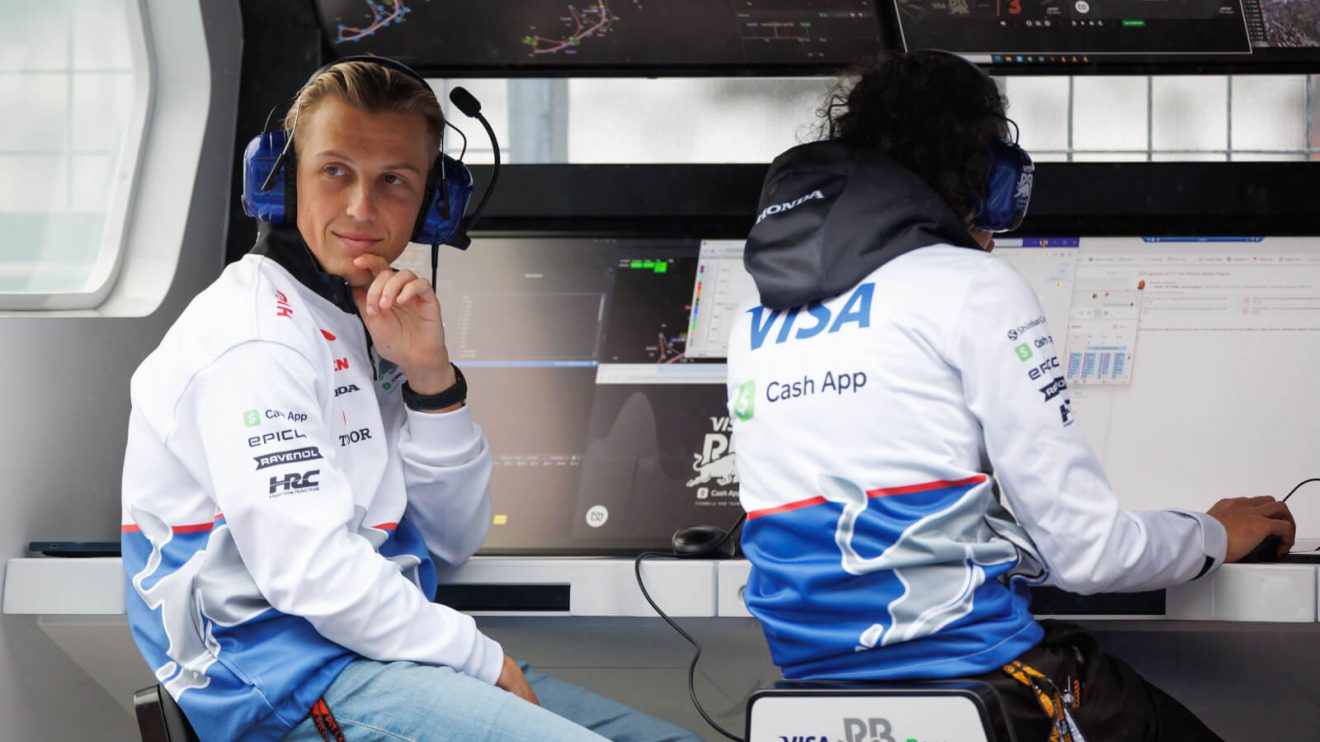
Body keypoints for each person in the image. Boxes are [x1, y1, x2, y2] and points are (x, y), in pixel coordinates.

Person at [121, 58, 699, 742]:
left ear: (431, 205)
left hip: (380, 657)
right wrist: (483, 661)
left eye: (393, 181)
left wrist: (431, 381)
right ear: (280, 182)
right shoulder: (252, 340)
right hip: (285, 683)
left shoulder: (365, 326)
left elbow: (450, 540)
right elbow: (314, 577)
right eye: (335, 170)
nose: (362, 208)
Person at [725, 49, 1296, 741]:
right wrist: (1212, 533)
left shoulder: (756, 321)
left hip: (809, 703)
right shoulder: (970, 286)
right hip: (982, 687)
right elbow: (1092, 555)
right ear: (978, 176)